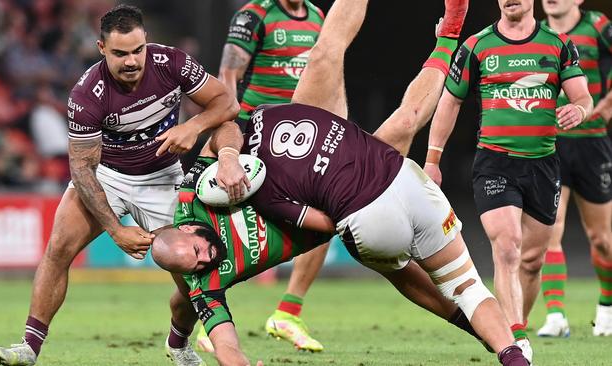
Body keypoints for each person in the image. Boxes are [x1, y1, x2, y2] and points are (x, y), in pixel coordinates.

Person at [154, 0, 530, 365]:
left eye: (199, 250)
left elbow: (225, 128)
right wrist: (350, 209)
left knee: (385, 104)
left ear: (189, 228)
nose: (207, 257)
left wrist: (229, 158)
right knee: (185, 298)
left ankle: (448, 36)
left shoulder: (194, 194)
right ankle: (188, 340)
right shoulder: (211, 273)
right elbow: (228, 348)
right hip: (340, 202)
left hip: (289, 128)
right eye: (198, 264)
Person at [0, 5, 241, 366]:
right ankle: (29, 347)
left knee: (194, 274)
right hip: (106, 176)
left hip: (162, 176)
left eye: (137, 50)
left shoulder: (172, 63)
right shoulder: (87, 95)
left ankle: (178, 343)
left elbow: (226, 103)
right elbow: (82, 171)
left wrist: (193, 126)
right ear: (101, 48)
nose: (131, 61)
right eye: (120, 53)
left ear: (146, 43)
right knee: (58, 247)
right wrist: (116, 229)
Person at [423, 0, 593, 363]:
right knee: (508, 247)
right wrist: (432, 159)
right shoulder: (476, 47)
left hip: (543, 166)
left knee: (531, 260)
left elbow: (583, 97)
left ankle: (519, 325)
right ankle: (514, 339)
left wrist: (577, 110)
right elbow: (450, 103)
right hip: (494, 163)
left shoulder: (558, 44)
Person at [193, 0, 328, 353]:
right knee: (237, 229)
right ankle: (213, 323)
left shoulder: (316, 15)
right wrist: (231, 128)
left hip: (300, 136)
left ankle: (288, 312)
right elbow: (228, 75)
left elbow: (322, 72)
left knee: (328, 215)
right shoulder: (255, 14)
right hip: (255, 132)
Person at [536, 0, 612, 338]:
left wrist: (607, 105)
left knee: (602, 239)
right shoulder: (535, 34)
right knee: (551, 229)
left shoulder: (598, 26)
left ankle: (607, 306)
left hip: (592, 144)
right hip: (551, 144)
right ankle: (555, 316)